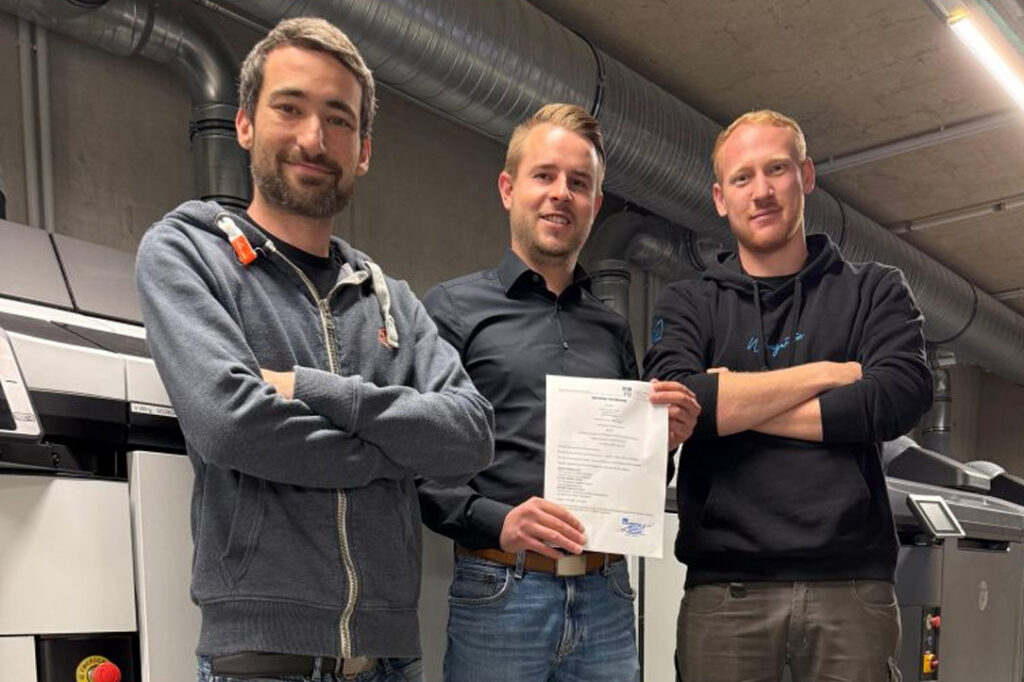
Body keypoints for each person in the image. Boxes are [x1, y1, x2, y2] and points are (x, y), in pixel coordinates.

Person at [135, 17, 494, 682]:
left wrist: (310, 389)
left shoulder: (392, 300)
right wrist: (395, 455)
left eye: (338, 119)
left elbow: (471, 436)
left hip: (390, 660)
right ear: (245, 123)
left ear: (363, 150)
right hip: (262, 662)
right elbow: (230, 423)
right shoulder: (187, 253)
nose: (313, 138)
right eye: (290, 108)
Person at [643, 109, 933, 682]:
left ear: (806, 175)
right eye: (742, 177)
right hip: (725, 594)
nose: (761, 190)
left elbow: (896, 398)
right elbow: (679, 405)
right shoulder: (689, 303)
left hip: (852, 589)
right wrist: (829, 373)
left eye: (776, 169)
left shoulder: (874, 289)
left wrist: (728, 402)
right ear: (720, 198)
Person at [417, 103, 700, 682]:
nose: (561, 194)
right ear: (508, 188)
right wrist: (498, 521)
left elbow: (641, 480)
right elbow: (420, 462)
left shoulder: (612, 328)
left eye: (579, 182)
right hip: (500, 591)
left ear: (595, 203)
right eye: (544, 175)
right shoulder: (451, 308)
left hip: (607, 596)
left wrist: (663, 444)